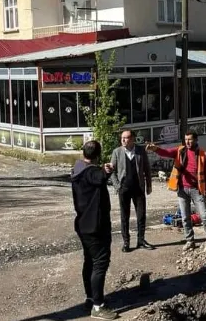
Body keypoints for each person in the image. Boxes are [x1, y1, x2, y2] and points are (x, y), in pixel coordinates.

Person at [70, 140, 118, 320]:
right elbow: (97, 177)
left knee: (89, 261)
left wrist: (103, 171)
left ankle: (91, 298)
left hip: (83, 223)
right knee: (100, 262)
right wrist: (106, 170)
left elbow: (96, 176)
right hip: (95, 226)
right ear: (97, 155)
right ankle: (98, 307)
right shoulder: (92, 172)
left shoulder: (78, 168)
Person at [147, 130, 206, 250]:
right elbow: (166, 152)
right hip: (182, 189)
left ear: (196, 140)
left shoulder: (203, 154)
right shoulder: (180, 150)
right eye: (186, 139)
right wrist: (155, 149)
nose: (188, 142)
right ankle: (190, 241)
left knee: (204, 215)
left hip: (197, 190)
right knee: (185, 217)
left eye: (190, 139)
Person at [109, 129, 154, 253]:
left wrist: (149, 185)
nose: (123, 140)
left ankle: (141, 240)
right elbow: (111, 170)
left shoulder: (140, 151)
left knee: (141, 215)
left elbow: (147, 169)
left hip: (138, 188)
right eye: (122, 138)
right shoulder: (117, 152)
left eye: (126, 137)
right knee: (125, 216)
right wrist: (117, 185)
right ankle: (126, 242)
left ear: (133, 139)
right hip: (124, 188)